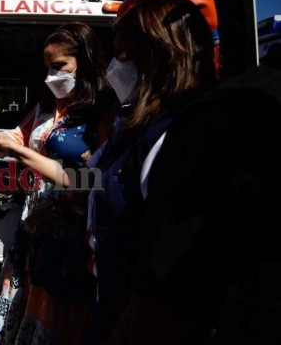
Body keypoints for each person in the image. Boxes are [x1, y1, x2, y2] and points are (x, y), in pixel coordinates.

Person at [105, 66, 281, 345]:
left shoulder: (227, 111)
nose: (113, 67)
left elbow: (93, 178)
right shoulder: (120, 117)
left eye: (125, 51)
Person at [0, 22, 118, 344]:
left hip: (73, 235)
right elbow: (20, 136)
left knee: (56, 315)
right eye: (47, 68)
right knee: (24, 301)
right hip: (33, 224)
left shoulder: (105, 114)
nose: (51, 76)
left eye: (59, 67)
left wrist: (58, 209)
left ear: (86, 60)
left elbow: (100, 180)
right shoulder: (45, 108)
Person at [86, 0, 219, 342]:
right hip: (111, 301)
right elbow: (96, 179)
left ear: (156, 52)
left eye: (121, 51)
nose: (115, 65)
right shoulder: (131, 127)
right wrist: (29, 170)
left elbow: (174, 278)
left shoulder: (179, 136)